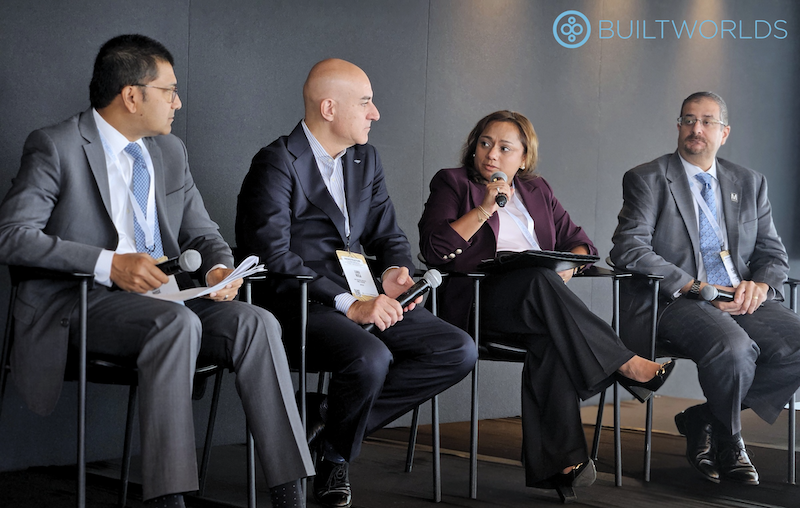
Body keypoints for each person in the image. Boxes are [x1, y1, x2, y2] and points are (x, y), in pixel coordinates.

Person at [0, 35, 314, 508]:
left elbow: (203, 233)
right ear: (132, 95)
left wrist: (217, 270)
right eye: (169, 90)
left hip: (169, 299)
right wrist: (110, 263)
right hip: (85, 301)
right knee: (175, 323)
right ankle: (169, 498)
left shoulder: (169, 153)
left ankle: (290, 492)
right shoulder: (57, 145)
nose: (178, 102)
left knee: (257, 322)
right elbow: (12, 235)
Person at [235, 58, 476, 508]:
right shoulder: (275, 163)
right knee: (371, 357)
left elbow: (388, 234)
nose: (375, 113)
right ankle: (336, 458)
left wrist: (393, 271)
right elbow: (270, 256)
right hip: (298, 303)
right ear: (329, 108)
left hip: (362, 297)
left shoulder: (366, 158)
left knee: (457, 349)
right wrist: (348, 303)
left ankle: (325, 423)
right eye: (365, 102)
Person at [417, 110, 673, 503]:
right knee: (538, 284)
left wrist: (567, 266)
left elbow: (582, 244)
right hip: (478, 302)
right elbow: (435, 252)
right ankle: (626, 363)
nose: (492, 154)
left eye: (505, 148)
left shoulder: (536, 191)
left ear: (523, 157)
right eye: (485, 143)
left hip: (538, 302)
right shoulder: (453, 183)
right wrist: (485, 207)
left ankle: (562, 464)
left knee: (551, 335)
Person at [611, 91, 800, 486]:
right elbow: (629, 249)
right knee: (734, 349)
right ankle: (732, 441)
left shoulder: (749, 182)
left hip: (739, 295)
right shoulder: (648, 178)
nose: (696, 128)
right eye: (688, 120)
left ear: (724, 132)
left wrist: (760, 285)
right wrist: (695, 286)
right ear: (678, 127)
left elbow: (772, 254)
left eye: (707, 121)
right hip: (678, 299)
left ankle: (705, 419)